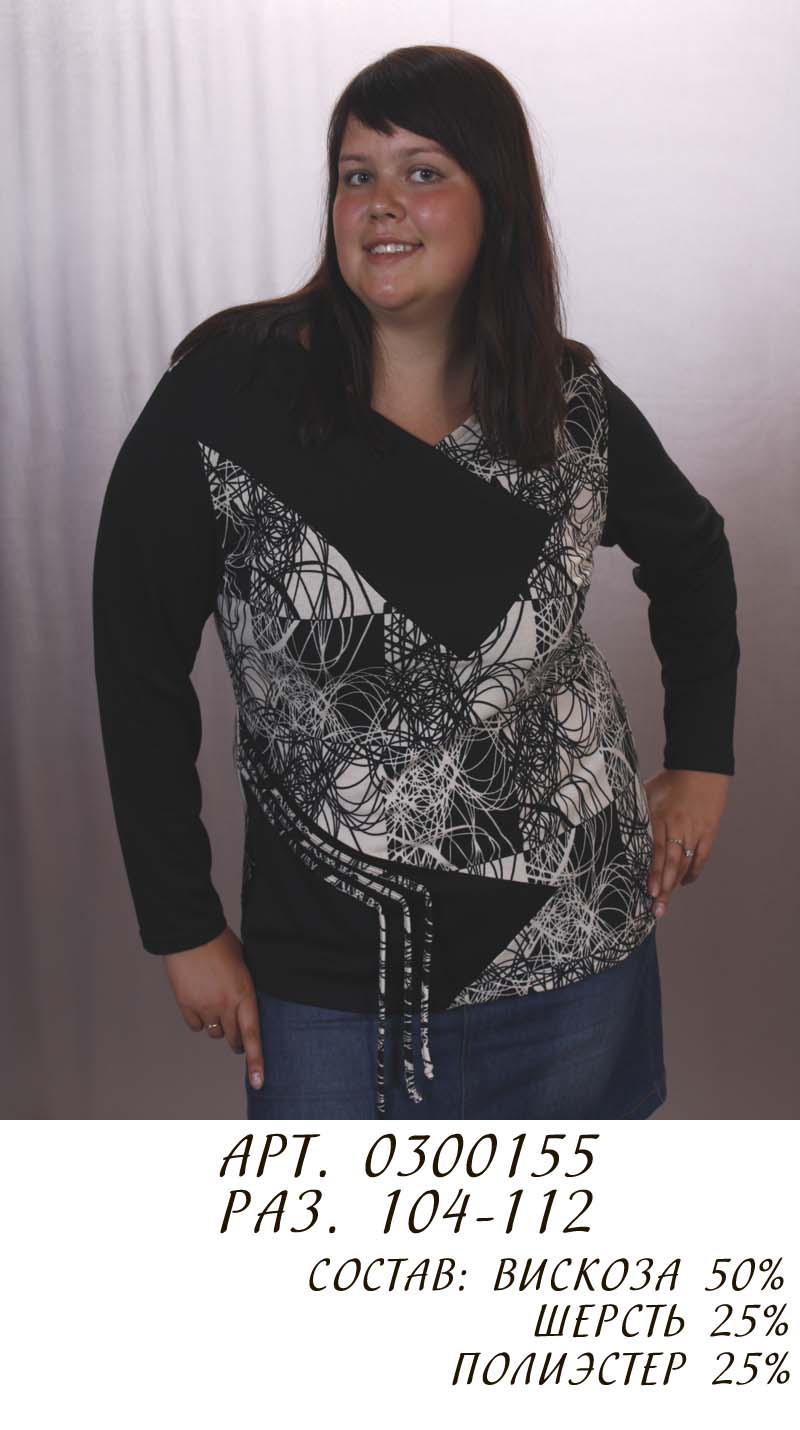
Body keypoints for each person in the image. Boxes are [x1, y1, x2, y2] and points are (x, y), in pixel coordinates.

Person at [92, 44, 739, 1120]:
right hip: (339, 984)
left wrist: (701, 763)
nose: (381, 202)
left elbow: (693, 555)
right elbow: (135, 663)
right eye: (357, 175)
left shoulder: (566, 402)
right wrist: (182, 924)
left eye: (423, 171)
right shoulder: (229, 397)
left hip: (581, 944)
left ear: (497, 202)